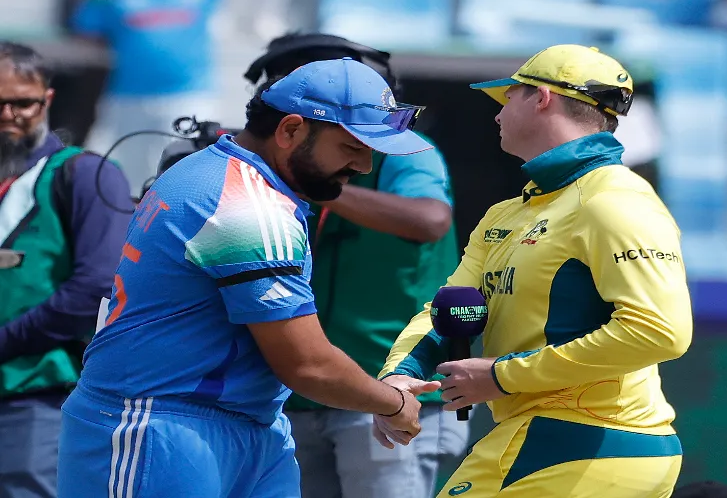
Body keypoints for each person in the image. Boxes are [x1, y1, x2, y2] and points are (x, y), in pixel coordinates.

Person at [57, 57, 440, 498]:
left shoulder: (217, 171)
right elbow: (308, 365)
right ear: (291, 130)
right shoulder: (245, 205)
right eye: (352, 147)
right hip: (159, 427)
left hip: (236, 423)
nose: (364, 167)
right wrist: (392, 402)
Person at [376, 44, 693, 497]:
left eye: (508, 97)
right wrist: (399, 376)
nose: (498, 113)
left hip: (592, 442)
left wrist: (501, 376)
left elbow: (660, 333)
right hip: (549, 438)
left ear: (541, 97)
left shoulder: (613, 199)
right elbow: (450, 309)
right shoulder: (508, 212)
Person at [245, 32, 467, 498]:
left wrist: (322, 185)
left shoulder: (409, 151)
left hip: (390, 387)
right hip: (302, 392)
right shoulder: (276, 159)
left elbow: (430, 219)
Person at [0, 42, 131, 497]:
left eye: (22, 102)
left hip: (38, 398)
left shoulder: (83, 175)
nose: (9, 114)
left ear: (47, 101)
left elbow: (95, 289)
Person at [70, 0, 222, 197]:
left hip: (189, 96)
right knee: (129, 177)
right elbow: (85, 34)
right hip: (127, 97)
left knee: (188, 176)